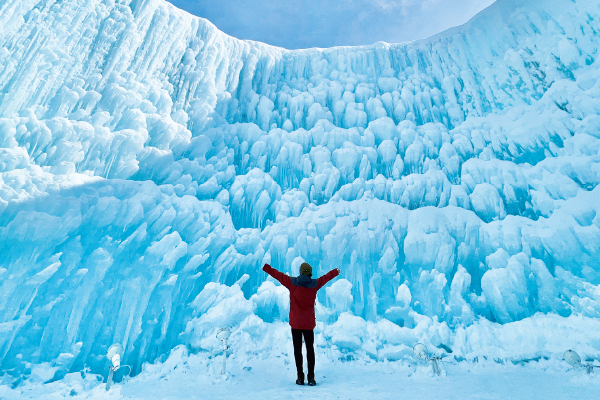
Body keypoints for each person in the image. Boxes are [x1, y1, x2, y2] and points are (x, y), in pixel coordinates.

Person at [262, 262, 340, 386]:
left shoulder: (292, 283)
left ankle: (300, 377)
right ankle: (311, 378)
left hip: (296, 324)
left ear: (300, 271)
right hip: (308, 324)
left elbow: (278, 275)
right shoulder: (315, 284)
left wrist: (267, 268)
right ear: (310, 272)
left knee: (297, 350)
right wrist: (335, 272)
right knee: (310, 349)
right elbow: (326, 278)